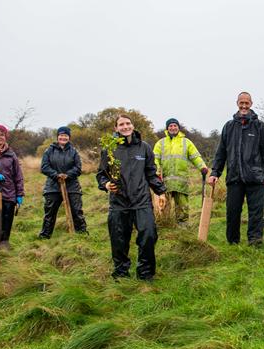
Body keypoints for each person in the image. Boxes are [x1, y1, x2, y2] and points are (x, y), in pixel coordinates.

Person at [96, 114, 166, 280]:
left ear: (133, 126)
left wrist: (160, 191)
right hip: (119, 202)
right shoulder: (109, 149)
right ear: (116, 128)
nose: (125, 127)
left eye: (128, 123)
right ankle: (121, 273)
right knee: (119, 240)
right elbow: (101, 174)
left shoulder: (144, 148)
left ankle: (146, 273)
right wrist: (106, 184)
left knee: (148, 236)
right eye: (121, 124)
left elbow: (151, 173)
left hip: (141, 200)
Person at [208, 92, 264, 245]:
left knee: (256, 213)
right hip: (234, 177)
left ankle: (255, 241)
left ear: (251, 104)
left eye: (247, 103)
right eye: (241, 103)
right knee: (232, 212)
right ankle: (233, 242)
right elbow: (221, 152)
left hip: (255, 177)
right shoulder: (229, 126)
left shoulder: (259, 126)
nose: (244, 106)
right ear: (237, 103)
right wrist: (215, 172)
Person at [153, 118, 208, 227]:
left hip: (181, 181)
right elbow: (154, 159)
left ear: (178, 127)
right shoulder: (161, 143)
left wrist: (202, 167)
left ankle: (183, 226)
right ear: (167, 128)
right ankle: (164, 224)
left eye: (175, 126)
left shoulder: (186, 142)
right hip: (164, 181)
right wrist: (156, 171)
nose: (173, 128)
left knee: (182, 206)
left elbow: (195, 156)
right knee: (163, 204)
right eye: (170, 126)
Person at [39, 126, 87, 238]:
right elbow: (44, 167)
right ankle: (45, 236)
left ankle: (82, 235)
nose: (63, 137)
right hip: (53, 186)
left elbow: (78, 168)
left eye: (66, 135)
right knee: (50, 213)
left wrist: (68, 175)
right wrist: (56, 175)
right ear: (57, 136)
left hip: (72, 186)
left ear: (69, 137)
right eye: (61, 135)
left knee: (77, 211)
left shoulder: (74, 151)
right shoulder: (49, 150)